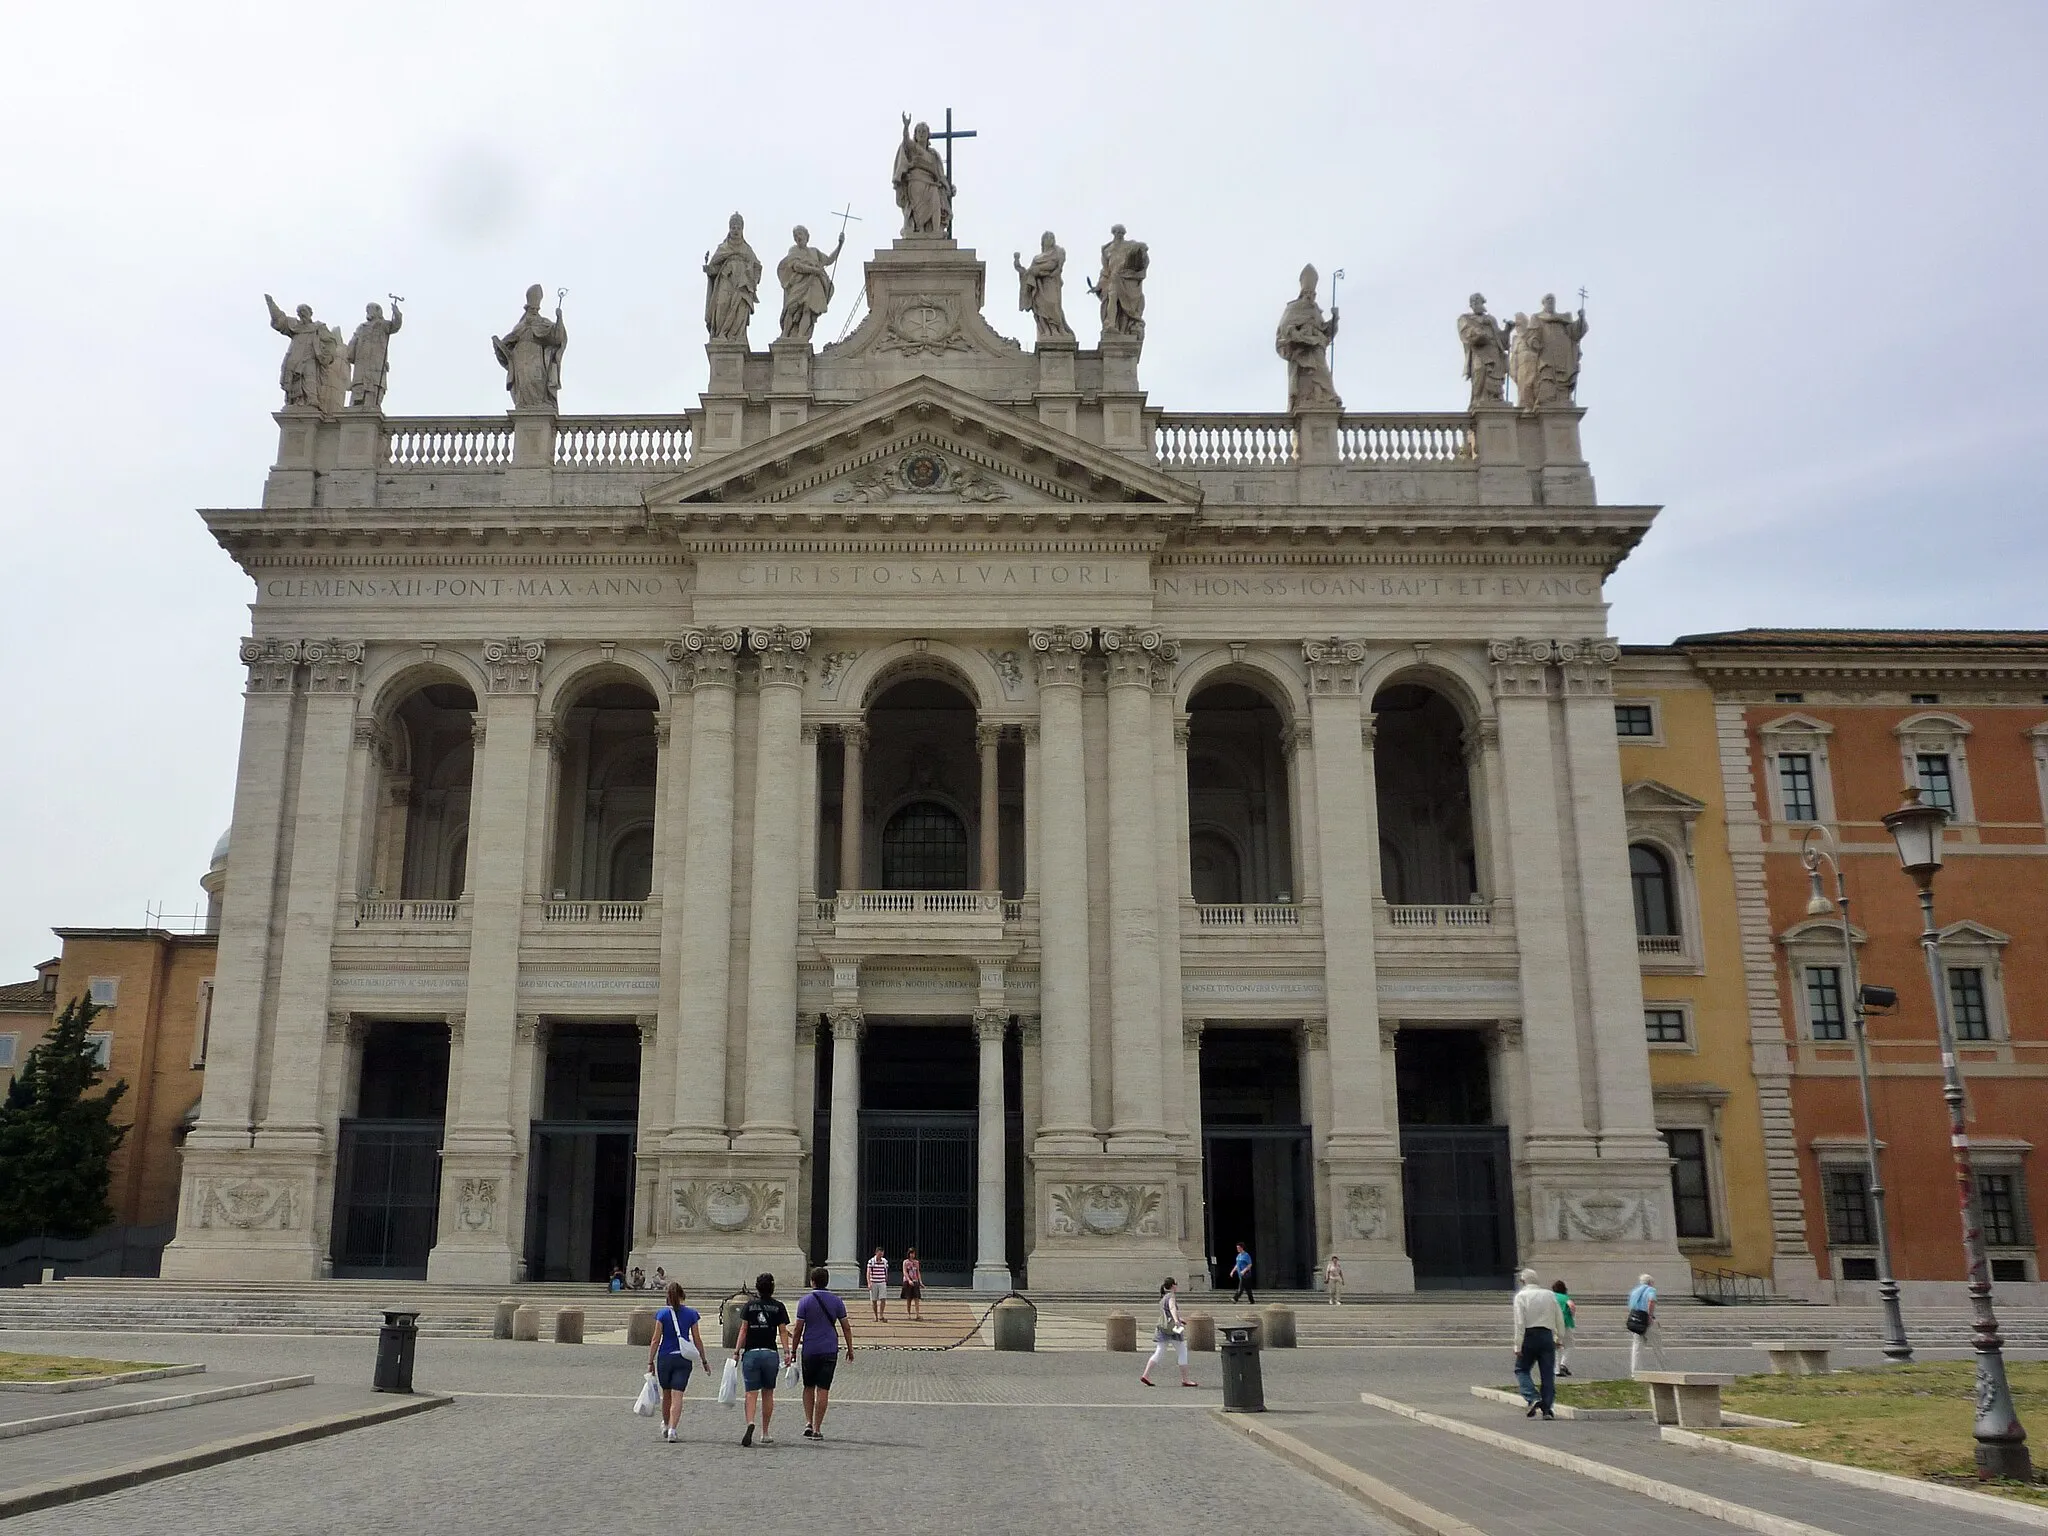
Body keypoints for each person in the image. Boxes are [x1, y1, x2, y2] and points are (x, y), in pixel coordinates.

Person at [792, 1266, 855, 1440]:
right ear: (827, 1281)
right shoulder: (837, 1301)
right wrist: (850, 1348)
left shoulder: (805, 1301)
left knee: (808, 1386)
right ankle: (818, 1428)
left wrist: (793, 1350)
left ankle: (808, 1422)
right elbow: (846, 1327)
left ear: (812, 1281)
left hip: (810, 1349)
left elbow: (798, 1329)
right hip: (829, 1349)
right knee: (823, 1389)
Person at [733, 1272, 792, 1447]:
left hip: (751, 1353)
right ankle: (765, 1432)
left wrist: (736, 1351)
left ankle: (750, 1421)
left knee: (751, 1393)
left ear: (757, 1288)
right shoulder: (778, 1307)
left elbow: (743, 1331)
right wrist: (787, 1352)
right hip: (770, 1353)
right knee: (768, 1392)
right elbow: (782, 1331)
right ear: (772, 1288)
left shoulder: (749, 1306)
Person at [647, 1281, 707, 1444]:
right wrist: (704, 1359)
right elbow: (697, 1339)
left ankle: (666, 1425)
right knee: (678, 1394)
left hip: (665, 1357)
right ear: (682, 1295)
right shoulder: (692, 1314)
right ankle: (673, 1429)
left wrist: (650, 1361)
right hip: (683, 1357)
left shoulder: (662, 1314)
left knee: (666, 1393)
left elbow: (655, 1340)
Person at [1511, 1268, 1565, 1420]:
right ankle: (1547, 1409)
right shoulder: (1549, 1294)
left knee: (1521, 1369)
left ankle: (1532, 1397)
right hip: (1547, 1335)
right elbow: (1558, 1317)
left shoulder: (1521, 1296)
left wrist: (1518, 1345)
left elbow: (1520, 1323)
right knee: (1547, 1374)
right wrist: (1559, 1338)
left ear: (1523, 1281)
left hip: (1529, 1335)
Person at [1140, 1277, 1199, 1388]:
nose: (1177, 1286)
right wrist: (1177, 1320)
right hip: (1173, 1329)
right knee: (1182, 1351)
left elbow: (1166, 1313)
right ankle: (1185, 1379)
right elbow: (1172, 1308)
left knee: (1159, 1351)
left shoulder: (1162, 1298)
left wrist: (1178, 1318)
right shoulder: (1171, 1296)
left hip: (1163, 1328)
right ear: (1172, 1286)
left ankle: (1146, 1375)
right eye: (1176, 1284)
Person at [1628, 1273, 1671, 1374]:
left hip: (1636, 1321)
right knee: (1657, 1347)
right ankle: (1664, 1370)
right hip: (1647, 1321)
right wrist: (1650, 1316)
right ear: (1650, 1282)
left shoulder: (1634, 1291)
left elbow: (1631, 1306)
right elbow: (1651, 1301)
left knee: (1637, 1347)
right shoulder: (1651, 1290)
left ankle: (1635, 1371)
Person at [1551, 1279, 1576, 1377]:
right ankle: (1563, 1364)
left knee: (1555, 1347)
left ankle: (1556, 1369)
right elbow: (1572, 1306)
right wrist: (1572, 1314)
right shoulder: (1565, 1297)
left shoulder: (1551, 1297)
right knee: (1569, 1345)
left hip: (1553, 1323)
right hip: (1565, 1323)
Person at [866, 1245, 890, 1321]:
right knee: (874, 1300)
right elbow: (868, 1272)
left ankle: (881, 1315)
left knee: (883, 1299)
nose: (880, 1255)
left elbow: (886, 1271)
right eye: (879, 1253)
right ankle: (875, 1316)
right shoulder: (871, 1261)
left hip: (882, 1281)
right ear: (876, 1253)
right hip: (874, 1282)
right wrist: (869, 1283)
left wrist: (886, 1279)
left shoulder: (884, 1261)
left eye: (881, 1253)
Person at [901, 1247, 923, 1321]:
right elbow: (905, 1272)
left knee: (916, 1298)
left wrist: (920, 1281)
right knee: (909, 1298)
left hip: (915, 1281)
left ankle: (917, 1314)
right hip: (907, 1281)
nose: (912, 1255)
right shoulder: (905, 1262)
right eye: (911, 1253)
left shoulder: (916, 1262)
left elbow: (918, 1272)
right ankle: (908, 1314)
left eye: (913, 1253)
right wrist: (908, 1280)